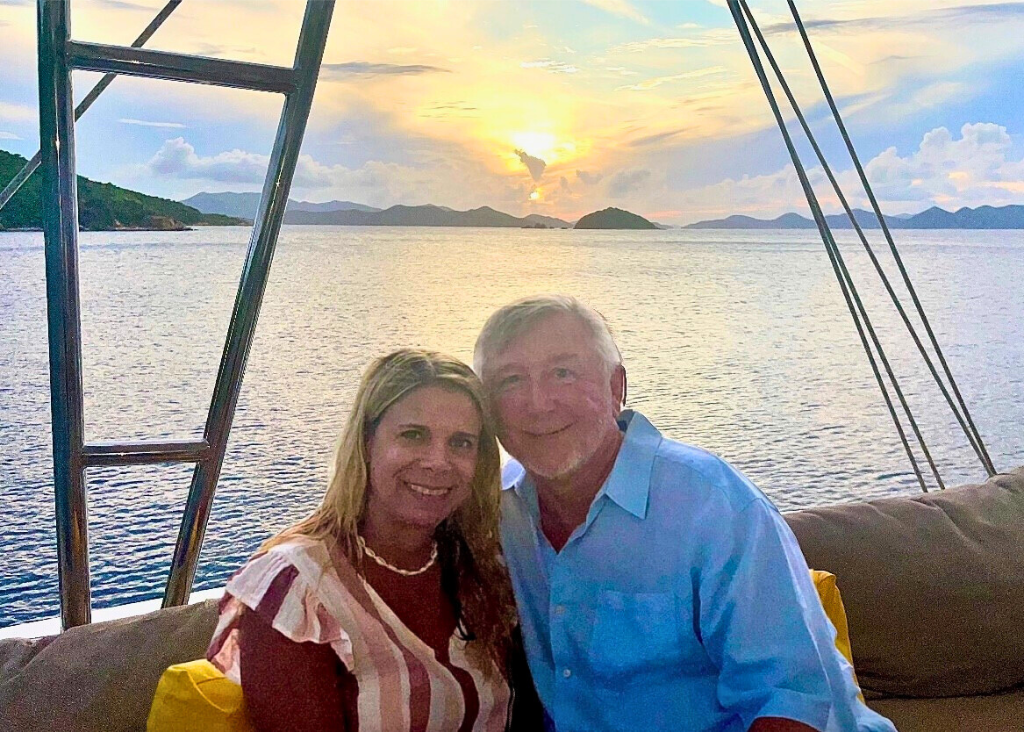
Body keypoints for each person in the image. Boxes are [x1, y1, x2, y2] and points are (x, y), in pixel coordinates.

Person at [474, 295, 897, 732]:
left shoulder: (713, 507)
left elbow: (794, 701)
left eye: (563, 373)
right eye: (510, 380)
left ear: (616, 388)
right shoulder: (497, 513)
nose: (538, 403)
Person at [207, 349, 540, 731]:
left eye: (461, 443)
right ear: (366, 442)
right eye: (413, 435)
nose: (438, 461)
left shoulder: (481, 568)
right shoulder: (298, 591)